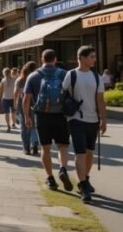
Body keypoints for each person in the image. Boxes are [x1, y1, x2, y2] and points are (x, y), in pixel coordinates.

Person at [63, 46, 108, 202]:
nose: (94, 59)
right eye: (91, 56)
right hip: (76, 119)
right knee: (80, 153)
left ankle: (86, 178)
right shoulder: (71, 74)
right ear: (81, 57)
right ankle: (82, 186)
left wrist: (104, 119)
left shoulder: (97, 77)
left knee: (90, 152)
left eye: (95, 56)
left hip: (93, 120)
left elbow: (101, 100)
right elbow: (63, 94)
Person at [24, 49, 72, 191]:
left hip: (42, 115)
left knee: (45, 148)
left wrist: (27, 117)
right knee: (63, 146)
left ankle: (50, 178)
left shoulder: (33, 76)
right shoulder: (64, 74)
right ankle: (63, 169)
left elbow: (26, 99)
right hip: (60, 115)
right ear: (55, 59)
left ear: (42, 59)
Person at [14, 61, 39, 155]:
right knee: (33, 125)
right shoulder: (36, 78)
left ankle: (26, 147)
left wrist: (15, 104)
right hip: (34, 103)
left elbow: (15, 93)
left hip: (22, 103)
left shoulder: (20, 80)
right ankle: (35, 143)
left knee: (24, 126)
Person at [0, 68, 17, 132]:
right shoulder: (15, 79)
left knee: (6, 113)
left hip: (5, 98)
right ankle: (13, 124)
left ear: (4, 73)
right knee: (13, 112)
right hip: (13, 98)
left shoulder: (3, 80)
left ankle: (8, 125)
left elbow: (0, 90)